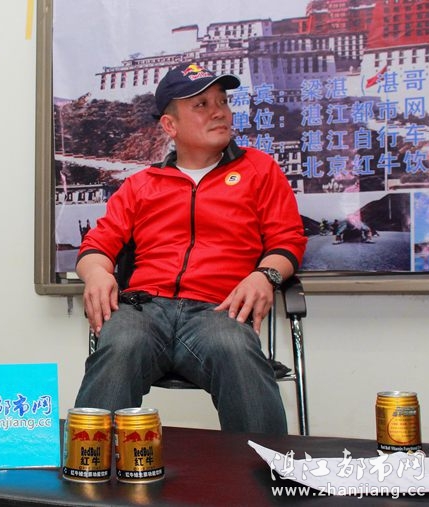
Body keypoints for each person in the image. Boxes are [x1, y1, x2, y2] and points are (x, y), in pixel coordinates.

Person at [74, 62, 306, 434]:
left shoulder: (259, 170)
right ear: (170, 125)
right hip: (145, 309)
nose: (219, 112)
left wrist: (266, 276)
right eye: (201, 105)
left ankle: (266, 466)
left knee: (235, 348)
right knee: (120, 344)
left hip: (219, 308)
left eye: (222, 101)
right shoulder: (142, 184)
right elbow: (97, 245)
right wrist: (97, 274)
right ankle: (89, 460)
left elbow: (287, 240)